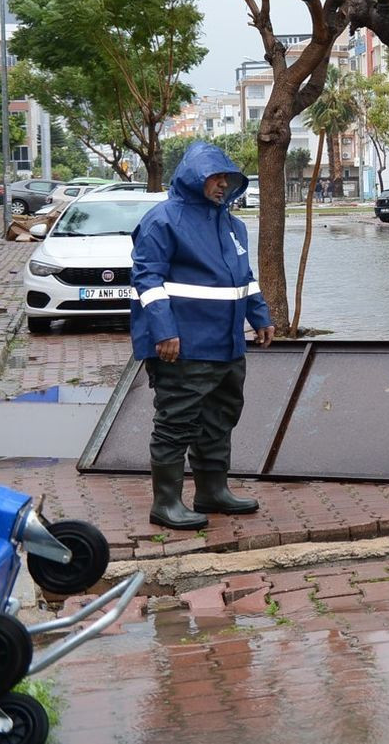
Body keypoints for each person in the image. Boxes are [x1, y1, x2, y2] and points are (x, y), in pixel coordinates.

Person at [130, 141, 275, 531]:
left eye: (227, 178)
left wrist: (260, 315)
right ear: (194, 178)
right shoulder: (162, 220)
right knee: (177, 421)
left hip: (227, 344)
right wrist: (164, 331)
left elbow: (243, 279)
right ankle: (166, 503)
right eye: (215, 177)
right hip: (183, 346)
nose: (222, 185)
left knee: (220, 417)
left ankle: (212, 491)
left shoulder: (232, 224)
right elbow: (147, 280)